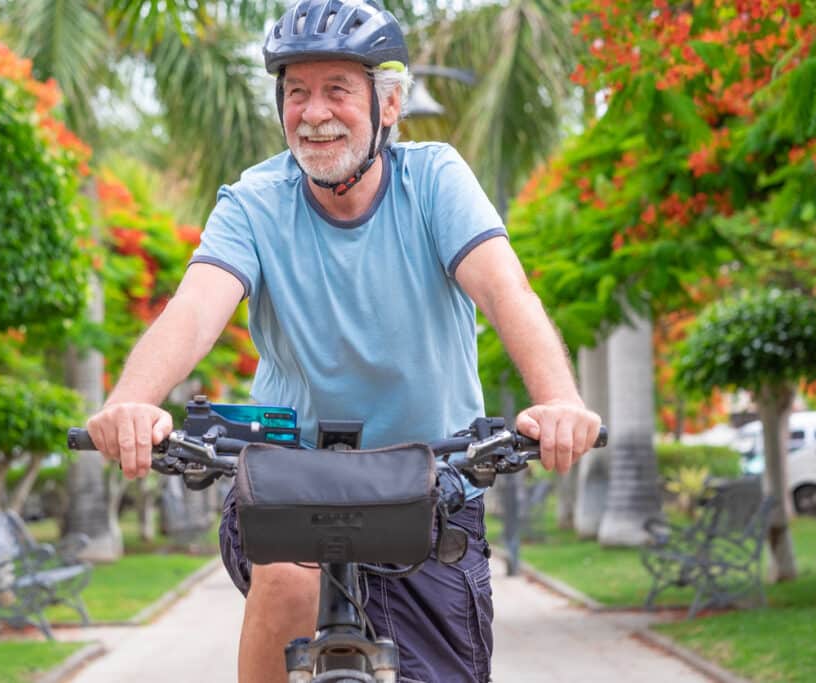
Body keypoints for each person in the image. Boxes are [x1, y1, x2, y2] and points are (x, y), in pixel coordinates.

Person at [86, 0, 602, 680]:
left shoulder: (436, 180)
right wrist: (132, 401)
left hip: (433, 490)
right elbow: (193, 309)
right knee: (289, 579)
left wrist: (559, 399)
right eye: (296, 92)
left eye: (336, 90)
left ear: (387, 106)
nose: (313, 112)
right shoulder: (253, 202)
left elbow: (508, 294)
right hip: (289, 487)